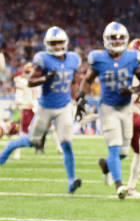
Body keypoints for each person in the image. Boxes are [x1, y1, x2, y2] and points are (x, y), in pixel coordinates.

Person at [0, 26, 82, 193]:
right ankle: (8, 149)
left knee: (67, 143)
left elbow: (74, 81)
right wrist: (45, 78)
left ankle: (71, 182)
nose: (57, 46)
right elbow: (30, 81)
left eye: (59, 43)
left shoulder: (73, 59)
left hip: (64, 106)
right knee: (32, 141)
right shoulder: (43, 59)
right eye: (54, 43)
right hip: (45, 107)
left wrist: (78, 100)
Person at [77, 22, 140, 199]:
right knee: (115, 146)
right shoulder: (99, 58)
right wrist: (81, 98)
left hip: (126, 108)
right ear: (106, 40)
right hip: (108, 107)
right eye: (113, 38)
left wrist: (132, 90)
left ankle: (106, 166)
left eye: (120, 38)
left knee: (124, 152)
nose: (117, 41)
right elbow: (87, 80)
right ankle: (119, 186)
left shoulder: (133, 58)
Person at [97, 38, 140, 197]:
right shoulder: (129, 66)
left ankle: (113, 171)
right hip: (124, 111)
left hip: (134, 110)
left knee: (126, 153)